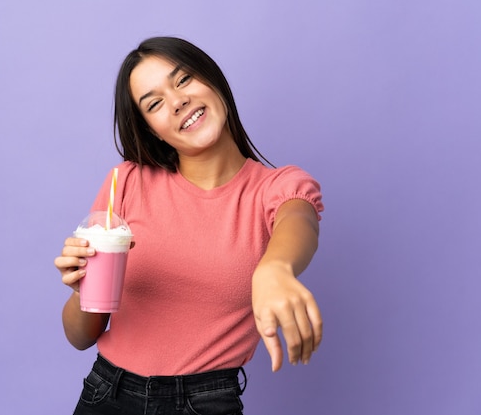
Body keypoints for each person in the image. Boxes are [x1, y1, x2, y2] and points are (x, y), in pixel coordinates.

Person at [54, 36, 324, 415]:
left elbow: (299, 218)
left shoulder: (276, 187)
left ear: (212, 81)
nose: (177, 101)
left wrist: (276, 268)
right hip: (106, 394)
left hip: (204, 403)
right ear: (151, 129)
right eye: (155, 103)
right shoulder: (126, 183)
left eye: (183, 80)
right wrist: (83, 286)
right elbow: (80, 336)